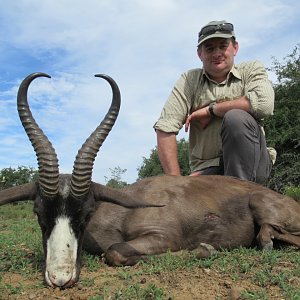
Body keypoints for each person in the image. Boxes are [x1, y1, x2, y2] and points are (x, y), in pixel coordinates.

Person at [153, 20, 276, 184]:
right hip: (208, 169)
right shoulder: (189, 80)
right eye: (209, 48)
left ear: (235, 48)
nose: (217, 53)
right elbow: (165, 128)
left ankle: (238, 194)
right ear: (199, 54)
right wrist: (177, 183)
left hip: (254, 163)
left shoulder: (251, 69)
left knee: (235, 118)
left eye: (223, 46)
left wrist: (211, 110)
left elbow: (264, 105)